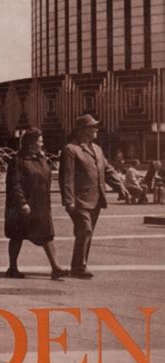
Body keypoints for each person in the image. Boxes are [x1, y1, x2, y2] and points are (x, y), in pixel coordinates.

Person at [59, 114, 130, 279]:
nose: (96, 129)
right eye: (93, 126)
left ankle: (81, 264)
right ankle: (78, 267)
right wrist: (69, 201)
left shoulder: (97, 149)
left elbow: (108, 170)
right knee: (85, 229)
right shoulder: (70, 149)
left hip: (96, 199)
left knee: (87, 233)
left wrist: (120, 186)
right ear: (83, 130)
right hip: (79, 200)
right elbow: (66, 178)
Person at [4, 128, 68, 280]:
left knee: (47, 235)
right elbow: (15, 184)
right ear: (30, 143)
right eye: (39, 141)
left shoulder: (41, 159)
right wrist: (22, 203)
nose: (42, 144)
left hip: (41, 204)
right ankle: (12, 267)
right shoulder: (18, 160)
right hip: (23, 206)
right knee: (17, 235)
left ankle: (55, 267)